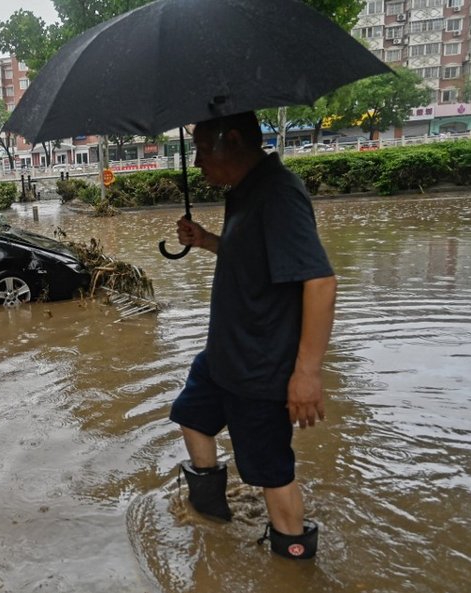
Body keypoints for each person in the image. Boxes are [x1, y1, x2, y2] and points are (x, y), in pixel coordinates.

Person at [168, 111, 337, 560]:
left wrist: (307, 372)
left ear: (234, 141)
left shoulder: (278, 194)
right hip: (223, 356)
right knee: (191, 416)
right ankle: (211, 517)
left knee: (269, 471)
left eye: (204, 149)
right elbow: (255, 256)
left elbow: (320, 281)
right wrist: (207, 241)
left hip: (260, 366)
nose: (198, 162)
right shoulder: (243, 192)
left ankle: (293, 561)